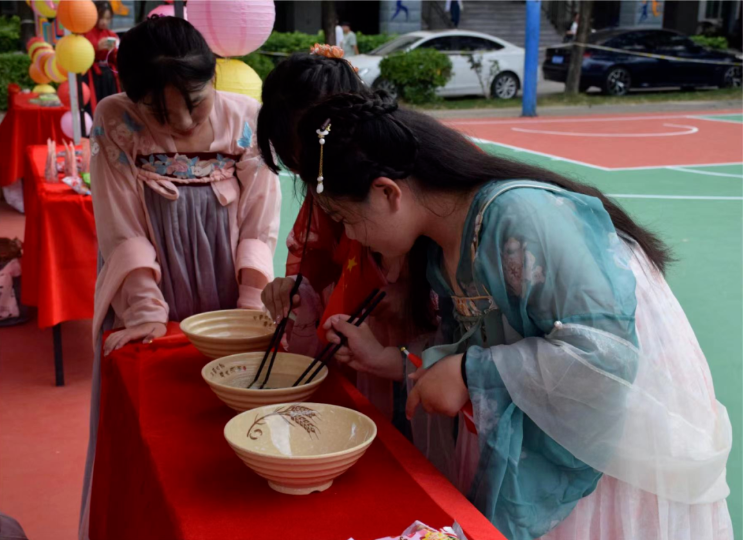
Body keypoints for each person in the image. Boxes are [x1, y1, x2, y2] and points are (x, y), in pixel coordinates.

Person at [288, 90, 733, 540]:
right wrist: (389, 360)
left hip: (605, 411)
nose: (350, 234)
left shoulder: (517, 215)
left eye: (345, 218)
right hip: (562, 396)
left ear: (388, 192)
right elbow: (480, 338)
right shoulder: (444, 244)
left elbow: (604, 358)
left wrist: (470, 371)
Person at [79, 17, 280, 539]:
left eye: (196, 102)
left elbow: (260, 220)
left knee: (234, 406)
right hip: (150, 283)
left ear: (214, 78)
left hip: (229, 281)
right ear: (132, 96)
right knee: (164, 422)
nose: (184, 123)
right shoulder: (114, 119)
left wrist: (251, 299)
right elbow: (121, 227)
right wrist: (146, 312)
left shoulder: (247, 118)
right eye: (160, 113)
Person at [256, 50, 435, 428]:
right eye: (296, 165)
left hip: (422, 349)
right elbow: (317, 262)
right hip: (363, 345)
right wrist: (298, 290)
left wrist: (404, 301)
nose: (309, 178)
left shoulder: (408, 180)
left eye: (305, 157)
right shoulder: (325, 179)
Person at [83, 1, 121, 113]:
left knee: (111, 106)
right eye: (101, 18)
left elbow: (116, 60)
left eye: (108, 18)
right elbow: (82, 56)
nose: (104, 22)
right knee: (95, 106)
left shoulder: (111, 35)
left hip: (109, 76)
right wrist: (96, 47)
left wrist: (114, 51)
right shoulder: (86, 33)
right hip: (92, 75)